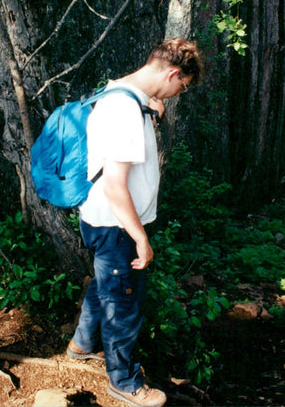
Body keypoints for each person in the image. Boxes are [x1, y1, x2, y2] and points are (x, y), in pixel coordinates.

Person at [66, 37, 203, 407]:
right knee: (123, 304)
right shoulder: (123, 110)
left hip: (104, 221)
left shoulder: (122, 95)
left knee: (104, 284)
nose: (179, 93)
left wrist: (152, 112)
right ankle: (124, 383)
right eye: (182, 86)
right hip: (117, 225)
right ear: (173, 73)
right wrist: (140, 237)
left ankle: (81, 344)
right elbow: (114, 185)